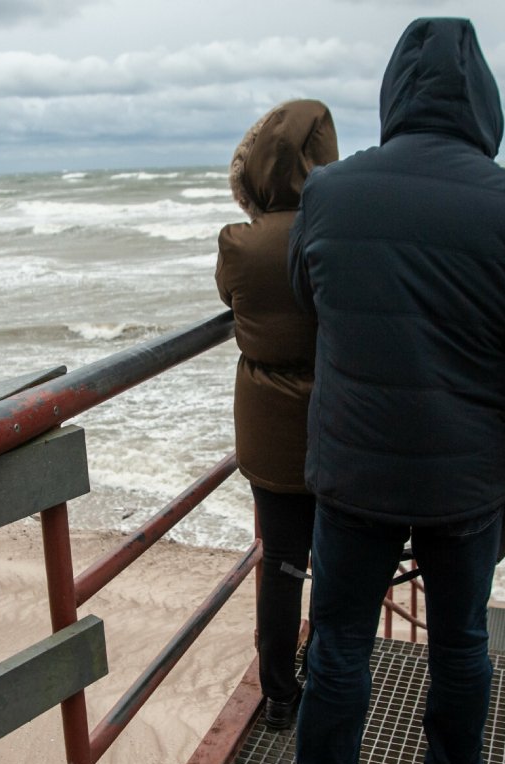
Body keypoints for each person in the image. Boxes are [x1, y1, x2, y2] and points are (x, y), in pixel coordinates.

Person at [270, 18, 505, 764]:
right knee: (462, 637)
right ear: (484, 101)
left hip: (355, 468)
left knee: (339, 636)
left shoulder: (331, 193)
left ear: (393, 95)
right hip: (469, 477)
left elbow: (311, 295)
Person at [216, 99, 339, 730]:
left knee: (282, 566)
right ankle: (331, 672)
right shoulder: (346, 232)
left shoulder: (240, 243)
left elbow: (230, 299)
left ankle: (278, 694)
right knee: (341, 564)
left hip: (268, 436)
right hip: (342, 429)